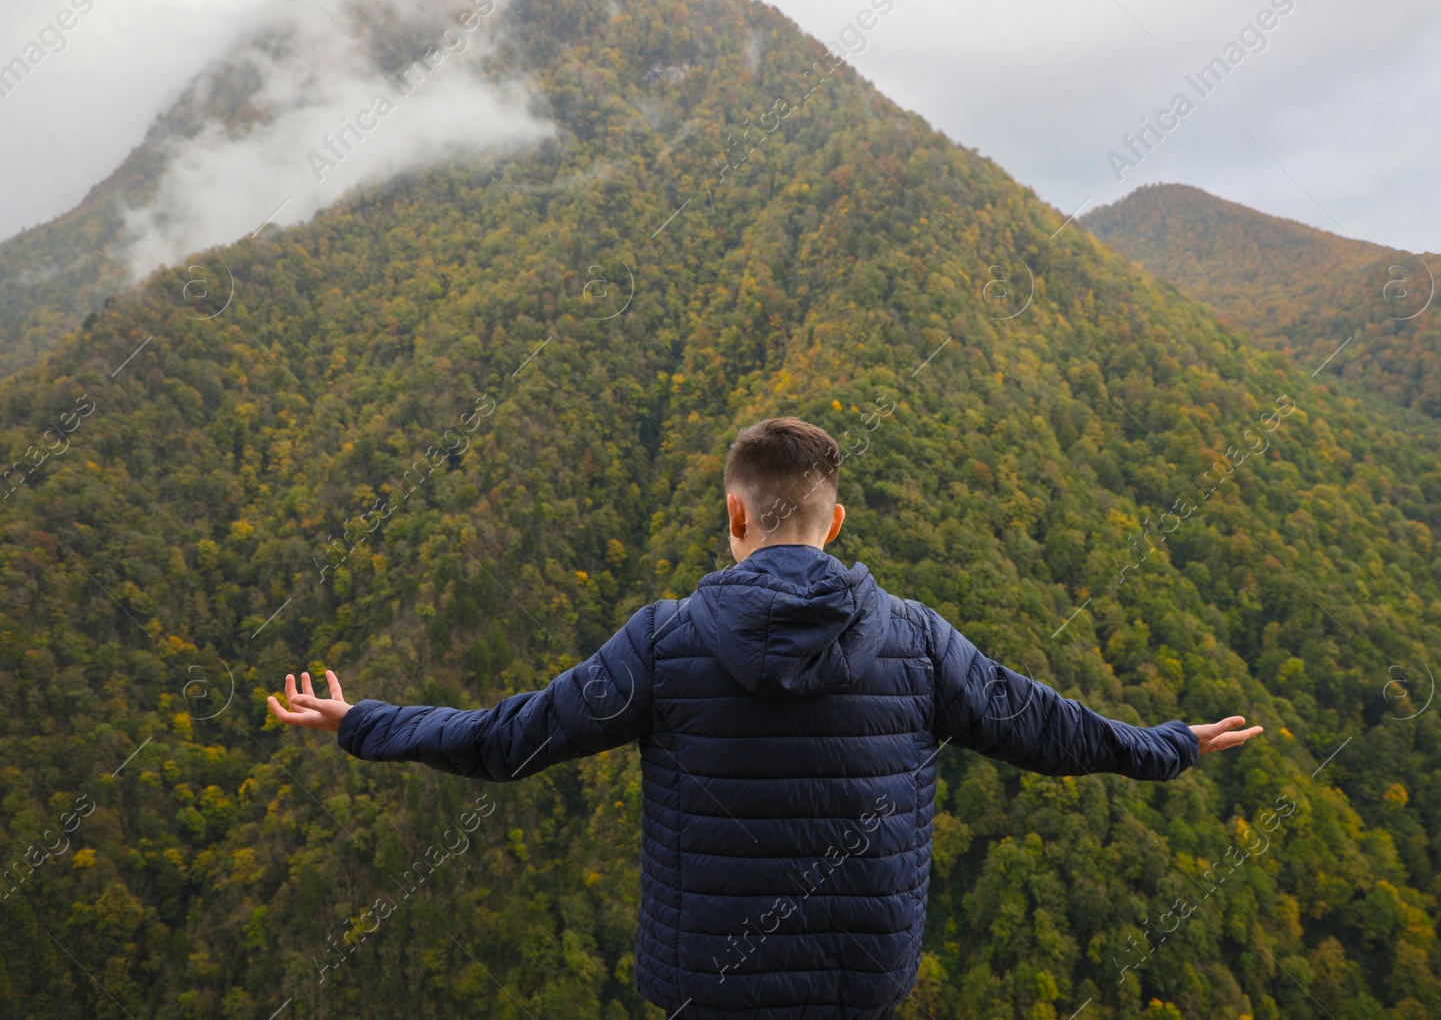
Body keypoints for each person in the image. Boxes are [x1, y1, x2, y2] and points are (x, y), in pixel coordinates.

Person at [269, 416, 1262, 1019]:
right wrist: (1166, 744)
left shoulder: (665, 641)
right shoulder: (915, 638)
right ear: (834, 522)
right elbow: (1048, 729)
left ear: (736, 516)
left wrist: (363, 720)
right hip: (858, 982)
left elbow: (503, 739)